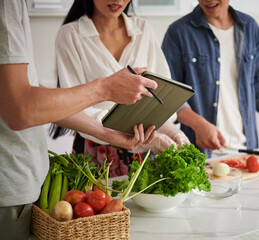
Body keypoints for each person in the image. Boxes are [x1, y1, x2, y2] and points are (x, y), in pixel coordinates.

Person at [0, 1, 159, 239]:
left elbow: (30, 91)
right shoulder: (10, 6)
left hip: (25, 177)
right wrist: (106, 89)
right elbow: (20, 109)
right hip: (12, 180)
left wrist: (106, 132)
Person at [54, 0, 190, 176]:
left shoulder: (143, 28)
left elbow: (160, 93)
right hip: (96, 153)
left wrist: (171, 131)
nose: (117, 0)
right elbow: (72, 106)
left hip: (144, 154)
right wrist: (147, 138)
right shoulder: (71, 35)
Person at [161, 0, 259, 158]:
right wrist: (199, 125)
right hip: (200, 153)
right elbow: (169, 95)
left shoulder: (249, 27)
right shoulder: (178, 33)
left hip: (246, 151)